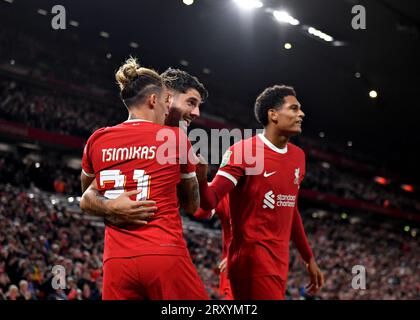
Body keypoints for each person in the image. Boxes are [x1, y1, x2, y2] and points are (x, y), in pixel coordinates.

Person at [79, 57, 209, 300]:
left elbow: (87, 195)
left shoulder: (97, 139)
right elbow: (193, 206)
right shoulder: (174, 139)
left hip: (116, 262)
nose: (167, 109)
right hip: (163, 254)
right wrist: (199, 176)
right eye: (165, 103)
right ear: (153, 100)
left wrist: (109, 206)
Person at [196, 85, 325, 300]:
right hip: (252, 262)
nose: (301, 114)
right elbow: (209, 201)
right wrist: (200, 178)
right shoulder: (243, 151)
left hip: (280, 263)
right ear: (273, 114)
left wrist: (308, 258)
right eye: (294, 108)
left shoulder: (298, 157)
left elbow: (290, 210)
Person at [194, 195, 233, 300]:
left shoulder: (266, 192)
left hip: (261, 266)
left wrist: (240, 253)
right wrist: (203, 187)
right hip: (231, 273)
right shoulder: (225, 192)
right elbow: (199, 212)